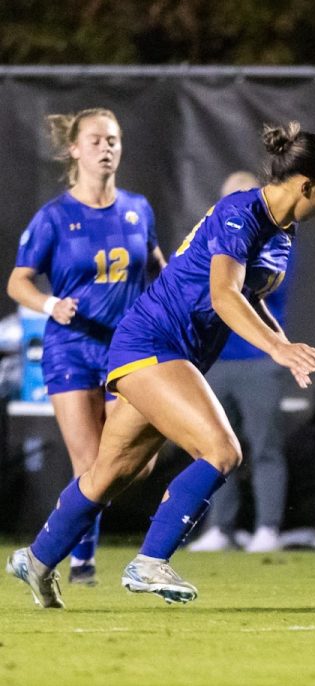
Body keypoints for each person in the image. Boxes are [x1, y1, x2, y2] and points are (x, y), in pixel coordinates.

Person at [6, 121, 315, 608]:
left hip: (174, 351)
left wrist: (282, 342)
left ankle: (36, 560)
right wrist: (276, 350)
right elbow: (224, 295)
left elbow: (248, 297)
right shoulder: (241, 211)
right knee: (222, 450)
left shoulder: (282, 232)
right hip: (153, 340)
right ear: (307, 185)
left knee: (114, 472)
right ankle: (149, 562)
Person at [6, 108, 167, 587]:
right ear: (74, 149)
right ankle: (81, 565)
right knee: (90, 463)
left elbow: (159, 269)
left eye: (113, 139)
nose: (107, 147)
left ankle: (48, 548)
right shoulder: (55, 216)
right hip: (72, 349)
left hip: (127, 351)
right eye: (96, 140)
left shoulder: (138, 208)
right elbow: (18, 283)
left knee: (139, 460)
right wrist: (50, 304)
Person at [188, 171, 293, 554]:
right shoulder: (215, 240)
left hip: (257, 359)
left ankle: (268, 528)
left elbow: (244, 292)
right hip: (213, 360)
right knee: (214, 447)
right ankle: (221, 527)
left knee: (265, 446)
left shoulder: (276, 239)